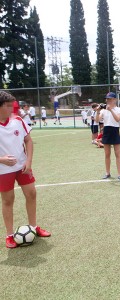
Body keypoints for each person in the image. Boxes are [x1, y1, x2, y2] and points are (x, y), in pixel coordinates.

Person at [0, 91, 51, 248]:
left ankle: (34, 227)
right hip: (3, 170)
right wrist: (1, 160)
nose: (12, 109)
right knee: (8, 200)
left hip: (22, 166)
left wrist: (28, 161)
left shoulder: (18, 121)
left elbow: (28, 141)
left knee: (32, 194)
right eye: (8, 106)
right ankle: (9, 235)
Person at [95, 92, 120, 180]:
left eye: (110, 99)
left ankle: (119, 174)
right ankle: (107, 173)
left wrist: (111, 110)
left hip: (115, 130)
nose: (108, 101)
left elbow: (118, 119)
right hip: (106, 130)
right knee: (107, 154)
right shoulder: (103, 110)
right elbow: (97, 120)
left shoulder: (119, 109)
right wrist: (97, 111)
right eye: (107, 99)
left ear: (115, 100)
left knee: (117, 153)